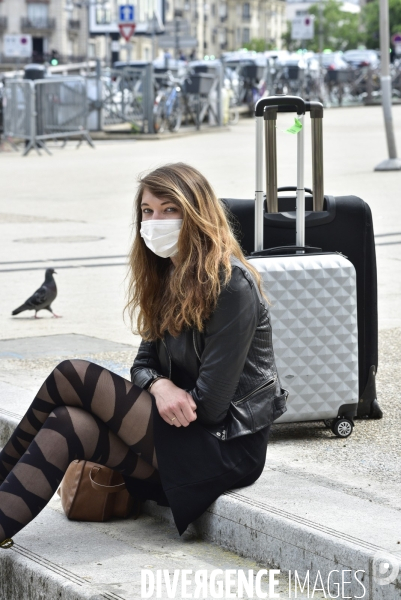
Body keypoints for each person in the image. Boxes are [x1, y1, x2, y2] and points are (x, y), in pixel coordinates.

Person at [0, 163, 287, 549]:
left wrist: (161, 391)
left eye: (170, 210)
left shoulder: (230, 285)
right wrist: (160, 384)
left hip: (220, 447)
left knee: (72, 374)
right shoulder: (167, 277)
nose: (156, 221)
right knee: (68, 424)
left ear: (197, 214)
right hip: (174, 432)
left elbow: (213, 409)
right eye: (148, 211)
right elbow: (142, 365)